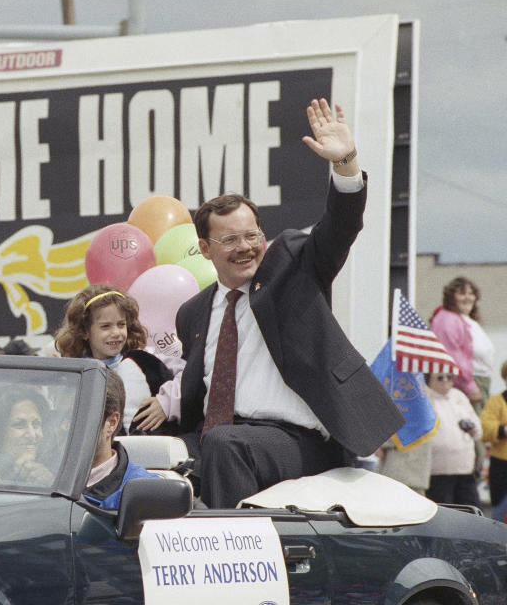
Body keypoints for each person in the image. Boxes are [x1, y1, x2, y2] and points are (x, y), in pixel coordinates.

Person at [169, 98, 404, 509]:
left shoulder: (291, 267)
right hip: (221, 440)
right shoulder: (193, 313)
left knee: (225, 444)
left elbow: (340, 226)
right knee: (145, 457)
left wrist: (345, 163)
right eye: (229, 240)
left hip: (301, 442)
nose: (245, 248)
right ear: (205, 248)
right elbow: (196, 397)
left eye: (252, 235)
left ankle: (240, 561)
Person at [53, 284, 172, 433]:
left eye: (121, 325)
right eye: (106, 326)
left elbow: (185, 380)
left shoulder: (145, 360)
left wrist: (166, 403)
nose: (116, 332)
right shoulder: (76, 373)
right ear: (84, 331)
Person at [84, 371, 158, 509]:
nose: (64, 426)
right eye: (61, 416)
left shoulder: (146, 492)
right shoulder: (42, 478)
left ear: (111, 423)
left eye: (77, 416)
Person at [430, 277, 494, 414]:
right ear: (451, 296)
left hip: (479, 381)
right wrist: (469, 385)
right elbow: (453, 356)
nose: (468, 298)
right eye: (462, 293)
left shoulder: (466, 320)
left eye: (471, 293)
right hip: (464, 384)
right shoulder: (448, 319)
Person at [425, 373, 482, 509]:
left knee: (471, 513)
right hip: (438, 471)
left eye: (449, 377)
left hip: (465, 469)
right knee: (444, 515)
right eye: (439, 377)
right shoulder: (425, 397)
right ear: (429, 380)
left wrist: (472, 428)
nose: (445, 381)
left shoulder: (459, 396)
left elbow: (479, 430)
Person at [480, 360, 507, 515]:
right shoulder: (495, 401)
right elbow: (485, 428)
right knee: (499, 513)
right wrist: (503, 430)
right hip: (501, 466)